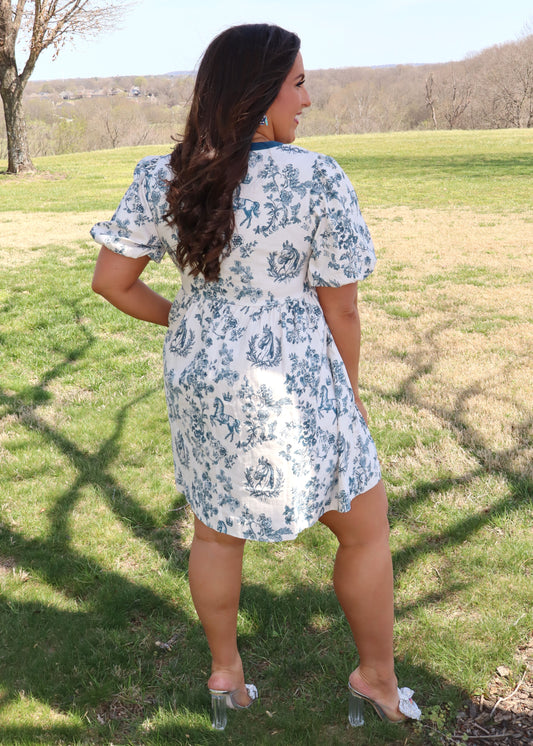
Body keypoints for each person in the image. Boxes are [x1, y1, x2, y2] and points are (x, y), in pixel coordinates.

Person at [91, 23, 421, 730]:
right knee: (364, 528)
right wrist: (351, 393)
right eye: (298, 83)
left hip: (202, 379)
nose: (308, 99)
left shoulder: (162, 175)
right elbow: (342, 307)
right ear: (260, 93)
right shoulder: (316, 177)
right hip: (293, 381)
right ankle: (377, 679)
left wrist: (186, 321)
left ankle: (227, 675)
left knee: (214, 532)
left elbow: (112, 282)